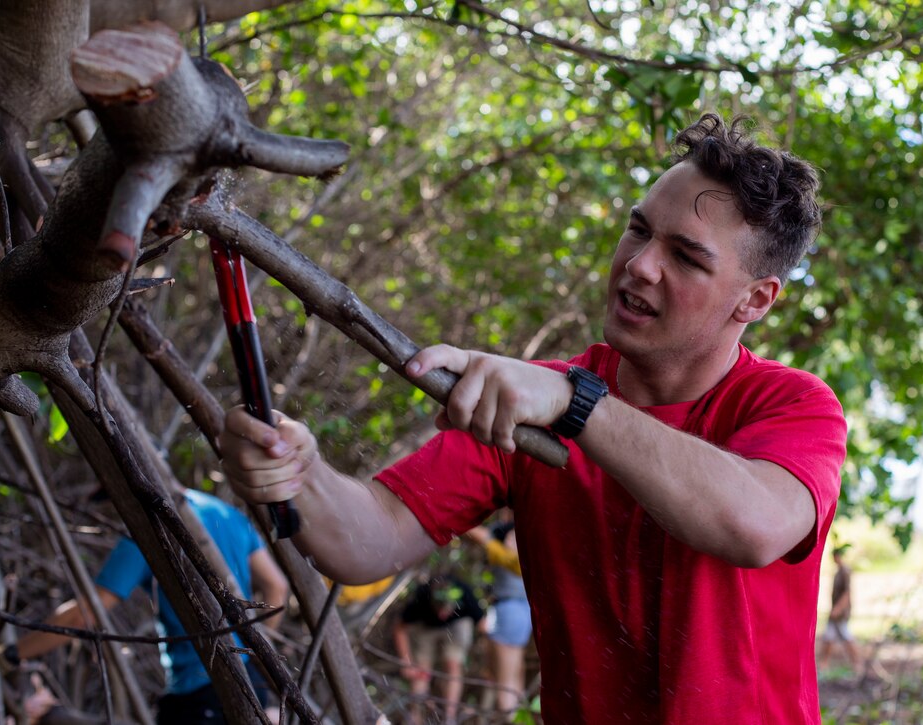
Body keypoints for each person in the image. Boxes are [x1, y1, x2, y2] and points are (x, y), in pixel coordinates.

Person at [220, 113, 848, 723]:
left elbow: (754, 525)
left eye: (686, 256)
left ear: (756, 299)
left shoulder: (793, 406)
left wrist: (576, 406)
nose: (639, 265)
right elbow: (369, 539)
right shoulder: (538, 396)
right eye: (638, 229)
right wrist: (300, 473)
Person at [14, 488, 289, 725]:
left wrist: (12, 654)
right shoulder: (225, 512)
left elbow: (85, 613)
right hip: (251, 682)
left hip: (202, 691)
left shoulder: (146, 532)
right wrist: (252, 652)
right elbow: (277, 588)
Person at [392, 574, 485, 725]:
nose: (442, 614)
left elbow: (483, 625)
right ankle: (415, 716)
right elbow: (400, 628)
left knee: (453, 664)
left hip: (458, 625)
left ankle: (449, 718)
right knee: (421, 670)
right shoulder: (422, 597)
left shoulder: (466, 595)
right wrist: (406, 661)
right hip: (426, 627)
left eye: (446, 610)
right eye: (439, 609)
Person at [464, 521, 531, 718]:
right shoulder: (515, 556)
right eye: (510, 536)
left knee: (506, 683)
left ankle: (512, 717)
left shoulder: (508, 557)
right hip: (522, 614)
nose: (512, 539)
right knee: (513, 676)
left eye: (515, 537)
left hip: (511, 612)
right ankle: (518, 717)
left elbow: (480, 535)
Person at [819, 544, 861, 671]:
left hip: (841, 612)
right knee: (828, 637)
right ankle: (824, 663)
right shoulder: (838, 571)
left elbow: (846, 593)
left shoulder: (844, 571)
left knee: (846, 636)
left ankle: (857, 662)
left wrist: (838, 608)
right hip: (836, 611)